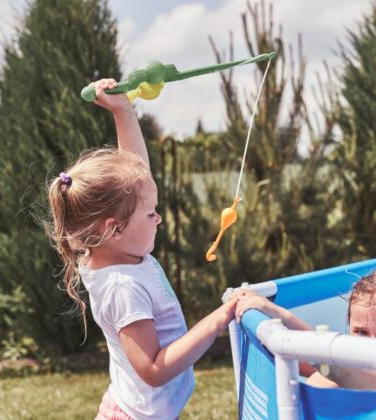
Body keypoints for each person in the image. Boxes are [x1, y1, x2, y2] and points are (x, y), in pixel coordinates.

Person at [47, 79, 241, 419]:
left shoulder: (114, 250)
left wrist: (123, 111)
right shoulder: (123, 287)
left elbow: (136, 175)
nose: (159, 218)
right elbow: (152, 369)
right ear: (115, 227)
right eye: (151, 213)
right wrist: (217, 320)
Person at [234, 269, 376, 390]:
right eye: (361, 332)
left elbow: (337, 369)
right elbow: (319, 359)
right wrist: (276, 312)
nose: (371, 345)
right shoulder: (349, 366)